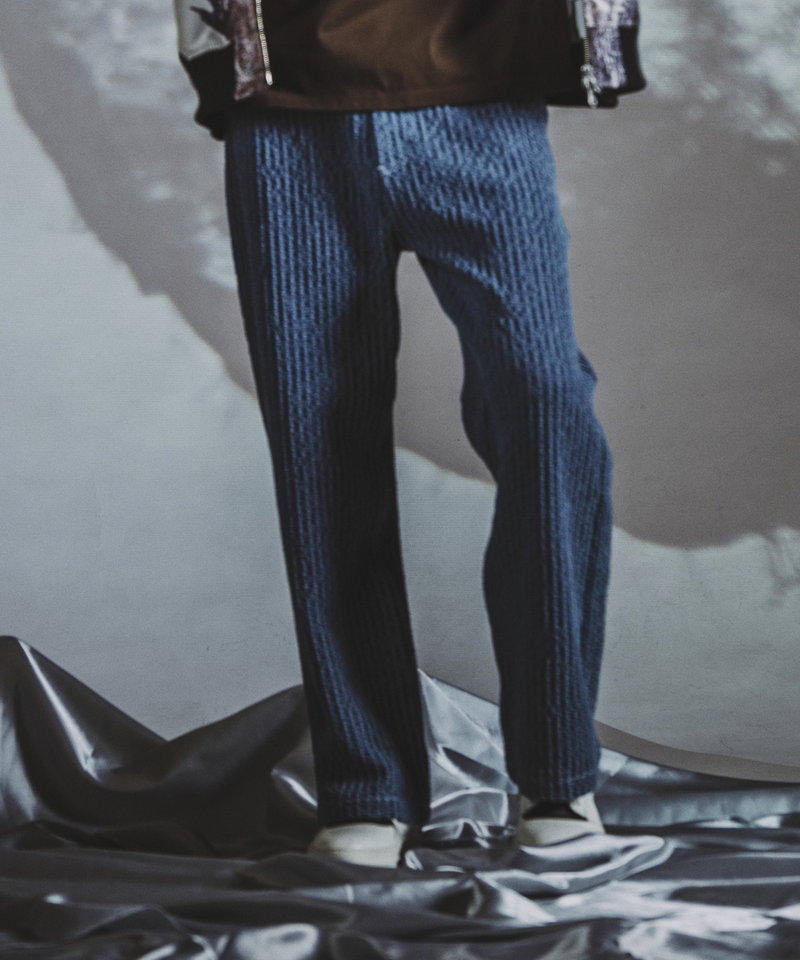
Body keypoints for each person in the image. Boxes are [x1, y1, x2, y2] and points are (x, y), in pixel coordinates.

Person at [173, 0, 644, 868]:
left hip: (482, 90)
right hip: (292, 109)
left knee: (547, 407)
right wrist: (221, 66)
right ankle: (368, 786)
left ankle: (557, 775)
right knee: (320, 443)